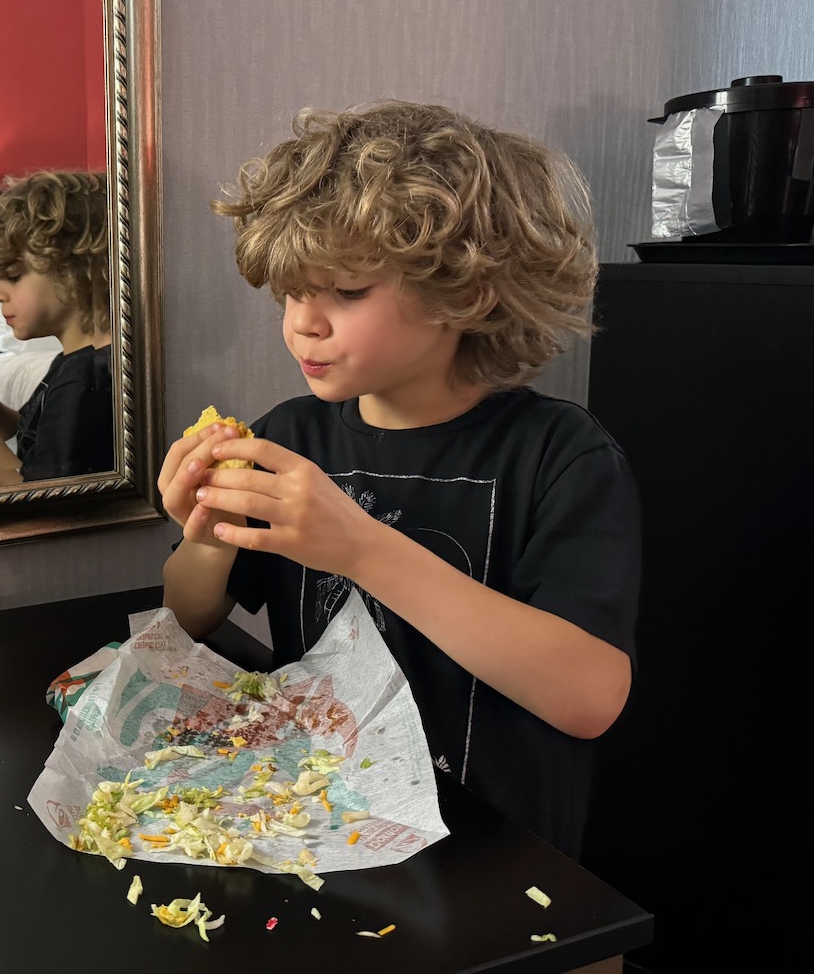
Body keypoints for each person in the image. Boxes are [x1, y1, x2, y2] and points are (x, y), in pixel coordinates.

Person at [158, 102, 640, 860]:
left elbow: (588, 697)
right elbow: (188, 614)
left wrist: (359, 546)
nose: (302, 324)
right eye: (290, 291)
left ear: (468, 292)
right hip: (321, 827)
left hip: (498, 861)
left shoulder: (560, 456)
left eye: (345, 292)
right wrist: (206, 535)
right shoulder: (290, 435)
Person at [0, 169, 113, 485]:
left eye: (14, 276)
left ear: (78, 269)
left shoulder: (85, 382)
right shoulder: (71, 361)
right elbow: (31, 431)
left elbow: (36, 488)